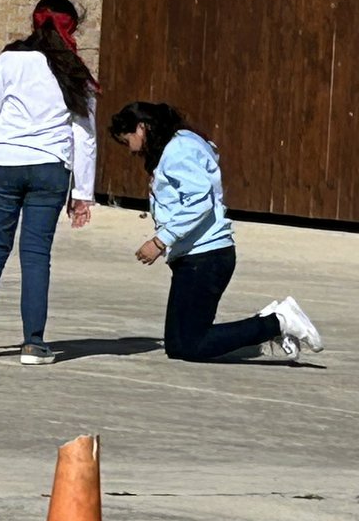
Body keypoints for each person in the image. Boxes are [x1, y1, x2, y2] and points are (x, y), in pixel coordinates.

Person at [0, 0, 98, 365]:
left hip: (4, 165)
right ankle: (33, 343)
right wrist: (83, 192)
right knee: (35, 256)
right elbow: (85, 135)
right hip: (50, 168)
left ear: (35, 22)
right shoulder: (73, 68)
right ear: (71, 27)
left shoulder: (8, 61)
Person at [109, 101, 323, 362]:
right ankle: (269, 322)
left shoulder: (179, 150)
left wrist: (160, 241)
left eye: (126, 140)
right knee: (179, 344)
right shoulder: (181, 144)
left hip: (205, 257)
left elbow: (200, 201)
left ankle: (278, 322)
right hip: (195, 257)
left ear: (142, 127)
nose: (129, 150)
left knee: (190, 345)